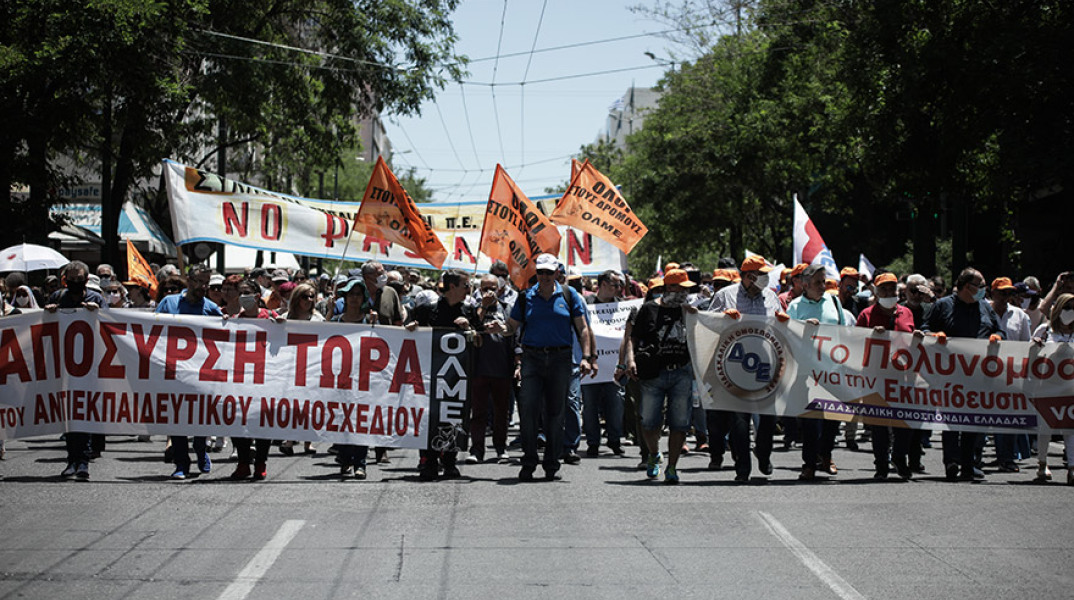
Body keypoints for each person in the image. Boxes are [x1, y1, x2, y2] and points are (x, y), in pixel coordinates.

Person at [491, 253, 594, 482]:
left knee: (556, 413)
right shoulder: (526, 296)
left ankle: (551, 462)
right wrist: (499, 328)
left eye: (549, 272)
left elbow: (583, 328)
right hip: (532, 358)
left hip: (560, 358)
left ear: (557, 272)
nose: (545, 276)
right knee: (528, 411)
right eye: (541, 272)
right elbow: (512, 327)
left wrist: (586, 357)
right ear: (536, 273)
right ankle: (528, 462)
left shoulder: (569, 295)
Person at [919, 267, 1005, 482]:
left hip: (978, 375)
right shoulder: (943, 306)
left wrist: (996, 335)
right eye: (981, 285)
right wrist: (934, 335)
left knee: (973, 421)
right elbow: (925, 328)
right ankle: (951, 462)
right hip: (950, 375)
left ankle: (968, 464)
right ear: (968, 287)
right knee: (951, 420)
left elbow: (1000, 330)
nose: (983, 290)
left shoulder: (986, 308)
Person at [707, 255, 788, 482]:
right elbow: (706, 325)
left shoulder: (771, 297)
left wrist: (785, 322)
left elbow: (782, 329)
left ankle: (763, 453)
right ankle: (742, 467)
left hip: (766, 366)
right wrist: (721, 319)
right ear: (749, 276)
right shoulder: (725, 296)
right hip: (735, 367)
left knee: (768, 419)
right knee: (739, 421)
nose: (765, 278)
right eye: (761, 274)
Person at [624, 269, 697, 484]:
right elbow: (632, 339)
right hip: (652, 374)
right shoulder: (648, 309)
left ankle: (672, 467)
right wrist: (630, 361)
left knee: (680, 423)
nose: (684, 293)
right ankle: (654, 454)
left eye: (686, 290)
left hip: (681, 373)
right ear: (668, 288)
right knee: (648, 422)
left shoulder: (688, 311)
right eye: (680, 289)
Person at [406, 269, 478, 480]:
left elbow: (479, 341)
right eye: (465, 285)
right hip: (429, 374)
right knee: (429, 416)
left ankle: (449, 461)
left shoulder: (469, 310)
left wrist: (470, 329)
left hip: (456, 377)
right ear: (453, 287)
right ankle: (428, 460)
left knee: (452, 415)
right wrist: (410, 328)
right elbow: (407, 333)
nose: (469, 290)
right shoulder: (426, 310)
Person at [155, 264, 222, 480]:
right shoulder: (169, 303)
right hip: (174, 371)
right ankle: (181, 464)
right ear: (189, 280)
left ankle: (201, 449)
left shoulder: (211, 309)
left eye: (206, 283)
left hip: (201, 373)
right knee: (178, 418)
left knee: (200, 416)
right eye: (199, 281)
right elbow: (152, 328)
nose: (203, 286)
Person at [786, 265, 853, 480]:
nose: (822, 286)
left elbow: (843, 332)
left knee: (833, 416)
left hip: (832, 370)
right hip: (807, 371)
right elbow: (787, 333)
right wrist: (802, 326)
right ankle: (809, 463)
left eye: (824, 282)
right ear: (804, 285)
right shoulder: (795, 307)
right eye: (817, 283)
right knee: (811, 420)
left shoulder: (834, 302)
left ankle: (826, 455)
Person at [854, 272, 920, 479]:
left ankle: (899, 457)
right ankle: (881, 464)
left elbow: (911, 340)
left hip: (903, 376)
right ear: (875, 291)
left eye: (892, 288)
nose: (889, 292)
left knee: (904, 423)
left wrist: (918, 337)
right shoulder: (866, 315)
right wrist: (870, 335)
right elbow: (854, 343)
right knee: (879, 424)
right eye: (884, 289)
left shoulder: (907, 313)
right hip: (876, 376)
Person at [44, 261, 104, 479]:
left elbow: (110, 327)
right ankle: (72, 460)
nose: (75, 283)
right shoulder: (58, 298)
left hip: (89, 368)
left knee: (84, 414)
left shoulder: (96, 299)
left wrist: (98, 314)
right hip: (65, 366)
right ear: (65, 280)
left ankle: (83, 462)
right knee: (69, 416)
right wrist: (49, 313)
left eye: (80, 280)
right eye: (71, 279)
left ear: (86, 280)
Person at [988, 277, 1033, 473]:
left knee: (1010, 416)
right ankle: (974, 455)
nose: (1006, 297)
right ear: (993, 293)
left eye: (1009, 293)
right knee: (984, 415)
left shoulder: (1020, 316)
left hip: (1012, 372)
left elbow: (1026, 343)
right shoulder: (983, 312)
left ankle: (1007, 457)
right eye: (1002, 292)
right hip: (984, 371)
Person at [332, 278, 375, 480]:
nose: (354, 298)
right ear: (345, 297)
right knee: (340, 419)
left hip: (363, 379)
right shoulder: (335, 322)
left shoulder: (371, 322)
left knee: (360, 421)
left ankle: (360, 463)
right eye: (351, 294)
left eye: (358, 294)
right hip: (338, 379)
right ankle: (344, 459)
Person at [470, 273, 515, 463]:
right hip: (479, 368)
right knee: (478, 412)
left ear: (500, 289)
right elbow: (472, 326)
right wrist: (483, 306)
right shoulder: (473, 308)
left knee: (501, 412)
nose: (489, 292)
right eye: (485, 288)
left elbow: (514, 333)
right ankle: (477, 450)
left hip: (502, 368)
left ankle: (500, 447)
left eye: (493, 288)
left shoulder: (507, 309)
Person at [1030, 293, 1074, 484]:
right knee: (1045, 427)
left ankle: (1072, 467)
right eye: (1066, 307)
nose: (1070, 312)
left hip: (1070, 388)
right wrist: (1035, 347)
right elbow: (1028, 356)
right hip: (1046, 387)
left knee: (1070, 429)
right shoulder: (1045, 330)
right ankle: (1042, 463)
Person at [582, 270, 627, 457]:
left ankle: (615, 440)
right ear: (602, 284)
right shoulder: (587, 304)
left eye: (620, 285)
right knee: (590, 406)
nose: (618, 289)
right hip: (592, 365)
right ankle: (593, 442)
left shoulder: (623, 306)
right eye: (615, 285)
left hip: (614, 365)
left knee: (616, 403)